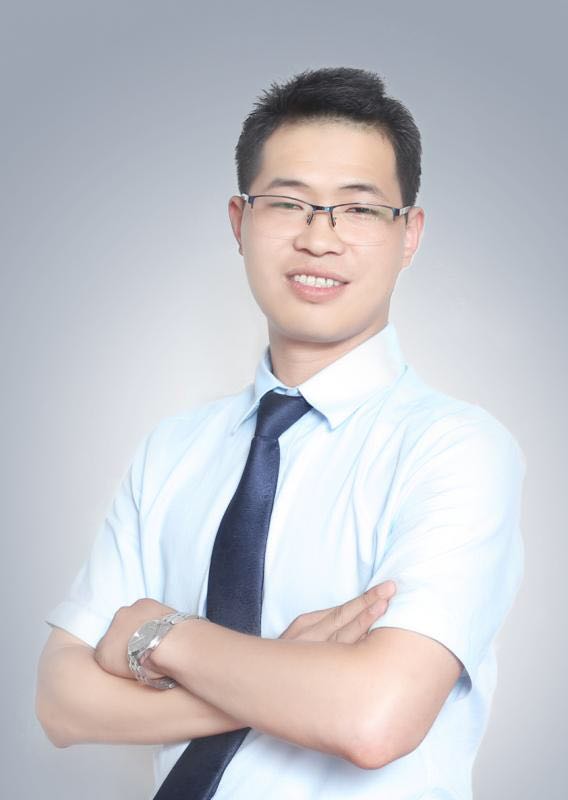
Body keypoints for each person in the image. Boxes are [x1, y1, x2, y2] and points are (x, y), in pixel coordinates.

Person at [36, 66, 525, 799]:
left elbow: (373, 718)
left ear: (409, 235)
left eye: (359, 209)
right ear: (239, 222)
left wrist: (160, 635)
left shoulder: (457, 449)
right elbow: (61, 702)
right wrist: (285, 672)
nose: (319, 238)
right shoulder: (173, 449)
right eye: (288, 203)